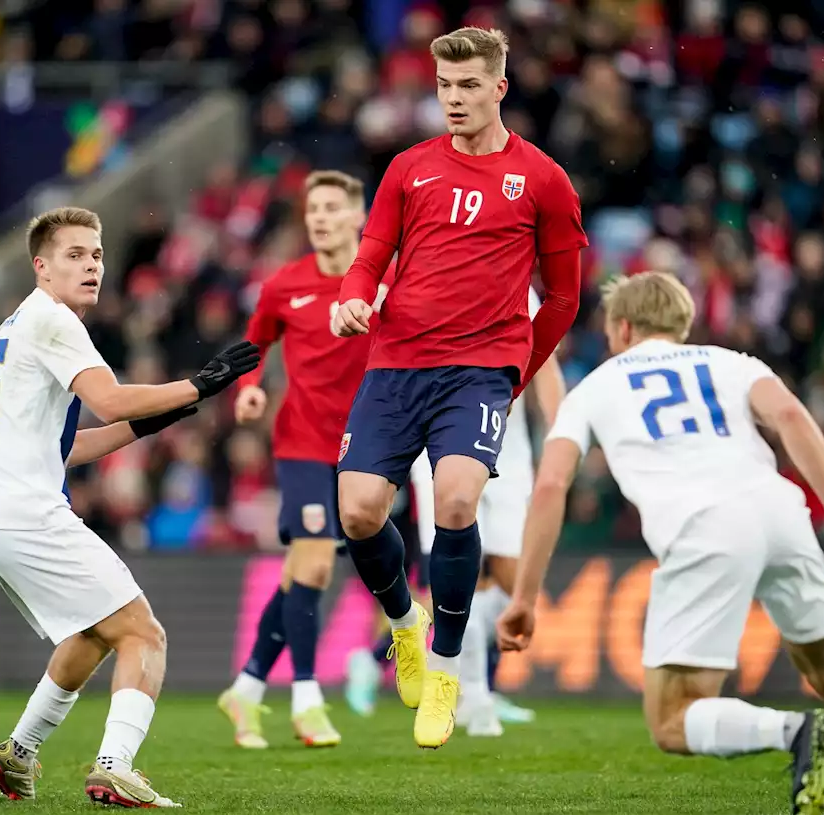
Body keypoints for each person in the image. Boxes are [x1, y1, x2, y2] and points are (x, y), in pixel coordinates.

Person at [497, 272, 824, 815]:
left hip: (703, 529)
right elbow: (790, 418)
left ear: (621, 327)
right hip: (781, 512)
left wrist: (523, 597)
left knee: (671, 720)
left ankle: (791, 731)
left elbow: (552, 485)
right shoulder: (731, 361)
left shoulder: (594, 386)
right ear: (682, 325)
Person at [331, 25, 586, 750]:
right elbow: (373, 252)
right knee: (358, 512)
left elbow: (564, 298)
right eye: (445, 86)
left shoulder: (542, 178)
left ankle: (445, 670)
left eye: (469, 85)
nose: (454, 98)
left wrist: (516, 373)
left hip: (479, 370)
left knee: (455, 501)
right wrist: (355, 295)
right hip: (395, 361)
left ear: (499, 88)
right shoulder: (409, 168)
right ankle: (405, 626)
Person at [0, 206, 258, 807]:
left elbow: (64, 447)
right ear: (41, 268)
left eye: (96, 254)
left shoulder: (18, 325)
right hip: (21, 513)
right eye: (74, 255)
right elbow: (111, 399)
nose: (91, 266)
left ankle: (18, 752)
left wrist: (146, 427)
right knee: (144, 632)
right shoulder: (54, 320)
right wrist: (201, 384)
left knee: (92, 631)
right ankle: (114, 767)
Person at [344, 286, 564, 734]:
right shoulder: (416, 276)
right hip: (438, 449)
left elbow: (545, 368)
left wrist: (561, 443)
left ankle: (375, 660)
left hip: (509, 452)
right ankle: (473, 696)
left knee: (510, 580)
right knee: (459, 571)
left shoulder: (519, 287)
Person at [218, 170, 387, 750]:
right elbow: (256, 342)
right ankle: (308, 698)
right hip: (302, 443)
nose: (318, 217)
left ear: (357, 215)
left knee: (299, 576)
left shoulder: (382, 283)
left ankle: (244, 688)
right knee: (314, 562)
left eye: (331, 207)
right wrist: (250, 388)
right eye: (312, 208)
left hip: (366, 449)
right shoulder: (284, 284)